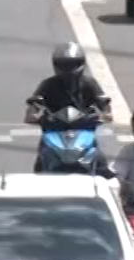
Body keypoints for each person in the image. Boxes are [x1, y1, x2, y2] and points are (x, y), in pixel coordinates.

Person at [27, 43, 112, 171]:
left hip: (83, 128)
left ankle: (106, 179)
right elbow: (34, 104)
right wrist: (34, 115)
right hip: (54, 129)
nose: (68, 70)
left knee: (100, 161)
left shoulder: (89, 83)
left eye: (72, 65)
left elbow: (104, 105)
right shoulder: (48, 84)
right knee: (42, 160)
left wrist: (104, 115)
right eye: (64, 65)